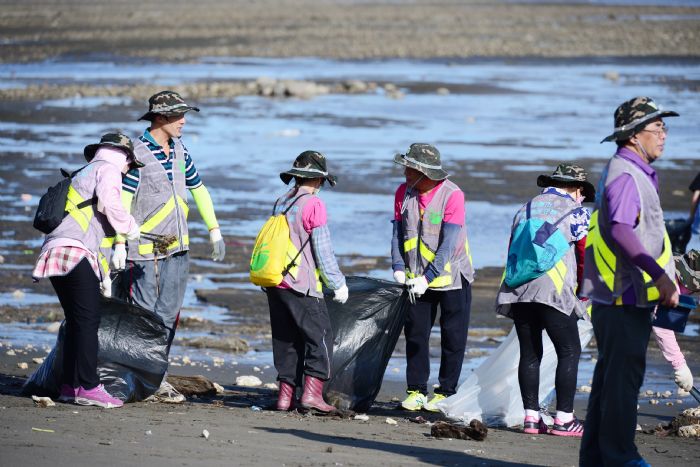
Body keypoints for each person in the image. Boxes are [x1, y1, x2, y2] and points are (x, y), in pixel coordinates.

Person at [580, 97, 680, 467]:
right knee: (621, 385)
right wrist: (659, 277)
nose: (664, 135)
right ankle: (621, 457)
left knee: (609, 384)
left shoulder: (631, 170)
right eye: (657, 129)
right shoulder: (626, 174)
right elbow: (622, 230)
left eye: (664, 127)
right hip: (623, 298)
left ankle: (595, 459)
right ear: (634, 136)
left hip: (621, 299)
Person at [111, 90, 226, 403]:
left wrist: (214, 229)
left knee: (168, 318)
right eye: (178, 115)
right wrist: (119, 243)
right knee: (142, 317)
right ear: (159, 117)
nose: (184, 121)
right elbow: (121, 200)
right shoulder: (136, 152)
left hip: (178, 250)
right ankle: (138, 381)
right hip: (144, 254)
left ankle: (155, 379)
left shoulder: (179, 148)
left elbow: (198, 188)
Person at [32, 133, 142, 408]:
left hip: (56, 249)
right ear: (124, 156)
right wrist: (130, 227)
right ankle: (87, 387)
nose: (130, 169)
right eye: (131, 162)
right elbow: (110, 204)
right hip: (73, 251)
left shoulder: (87, 170)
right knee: (87, 320)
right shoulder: (109, 170)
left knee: (77, 320)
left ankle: (70, 385)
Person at [496, 164, 594, 437]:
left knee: (530, 353)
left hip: (519, 288)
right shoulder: (576, 212)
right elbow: (585, 254)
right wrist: (584, 291)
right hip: (553, 290)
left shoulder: (525, 208)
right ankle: (564, 419)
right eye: (583, 192)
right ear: (576, 188)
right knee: (569, 350)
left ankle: (531, 418)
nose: (583, 198)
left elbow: (512, 248)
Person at [391, 143, 474, 412]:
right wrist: (398, 267)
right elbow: (396, 232)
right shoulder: (404, 193)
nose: (404, 171)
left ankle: (445, 392)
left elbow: (449, 243)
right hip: (414, 278)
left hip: (452, 278)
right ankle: (416, 390)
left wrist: (428, 277)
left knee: (453, 337)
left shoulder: (453, 195)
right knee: (415, 334)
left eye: (409, 168)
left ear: (422, 172)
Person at [265, 150, 348, 413]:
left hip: (275, 281)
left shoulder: (282, 200)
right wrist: (337, 284)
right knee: (320, 336)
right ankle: (312, 395)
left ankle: (284, 397)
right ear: (319, 180)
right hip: (301, 283)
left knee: (286, 340)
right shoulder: (314, 205)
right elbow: (323, 251)